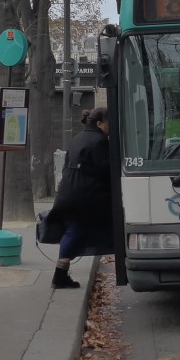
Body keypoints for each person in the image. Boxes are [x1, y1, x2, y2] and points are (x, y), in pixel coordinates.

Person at [47, 106, 114, 289]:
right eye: (110, 122)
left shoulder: (78, 138)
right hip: (86, 195)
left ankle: (60, 274)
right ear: (100, 123)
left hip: (69, 192)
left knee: (73, 229)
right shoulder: (99, 141)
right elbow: (106, 169)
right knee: (76, 230)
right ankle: (59, 275)